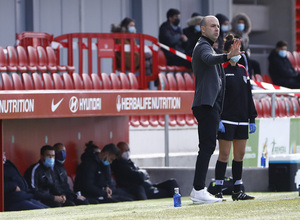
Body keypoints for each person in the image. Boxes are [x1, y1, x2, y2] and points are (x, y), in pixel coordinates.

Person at [190, 15, 244, 204]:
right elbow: (209, 59)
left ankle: (198, 189)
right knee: (206, 147)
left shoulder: (208, 46)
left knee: (207, 147)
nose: (217, 29)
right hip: (206, 104)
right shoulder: (203, 47)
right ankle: (198, 190)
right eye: (212, 26)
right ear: (203, 29)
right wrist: (227, 56)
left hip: (210, 105)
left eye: (218, 26)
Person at [214, 34, 257, 201]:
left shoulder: (243, 69)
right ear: (228, 51)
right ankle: (218, 189)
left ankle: (237, 190)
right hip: (227, 119)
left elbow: (248, 95)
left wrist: (252, 118)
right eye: (236, 49)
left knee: (239, 156)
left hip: (242, 120)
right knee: (224, 155)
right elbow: (217, 96)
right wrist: (218, 118)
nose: (239, 52)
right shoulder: (221, 69)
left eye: (240, 49)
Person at [111, 142, 179, 200]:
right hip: (143, 190)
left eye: (128, 150)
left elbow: (144, 173)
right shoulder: (119, 165)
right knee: (167, 192)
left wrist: (143, 173)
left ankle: (179, 203)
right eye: (125, 150)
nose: (128, 152)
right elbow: (139, 176)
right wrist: (143, 174)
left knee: (172, 182)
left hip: (150, 185)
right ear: (119, 151)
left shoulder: (130, 162)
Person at [230, 13, 261, 77]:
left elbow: (247, 48)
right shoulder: (231, 34)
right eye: (239, 23)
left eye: (243, 23)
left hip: (244, 56)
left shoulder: (245, 36)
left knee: (255, 64)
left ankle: (256, 79)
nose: (241, 25)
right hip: (235, 56)